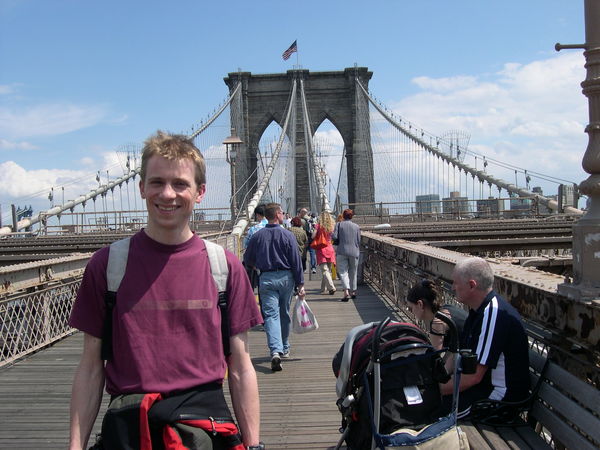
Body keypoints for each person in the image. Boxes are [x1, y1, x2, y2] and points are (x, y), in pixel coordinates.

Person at [68, 131, 263, 450]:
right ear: (142, 187)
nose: (168, 194)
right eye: (157, 182)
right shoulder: (107, 266)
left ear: (200, 192)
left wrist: (253, 445)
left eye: (180, 184)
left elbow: (240, 365)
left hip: (203, 431)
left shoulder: (224, 267)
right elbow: (91, 366)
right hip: (130, 430)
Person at [440, 257, 530, 419]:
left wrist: (433, 388)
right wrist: (436, 378)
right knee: (425, 402)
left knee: (431, 411)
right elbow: (458, 354)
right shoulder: (478, 311)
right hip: (482, 388)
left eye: (455, 283)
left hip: (498, 399)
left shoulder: (493, 314)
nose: (452, 287)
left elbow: (474, 377)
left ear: (472, 285)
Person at [244, 203, 305, 372]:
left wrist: (258, 266)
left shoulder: (257, 236)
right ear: (278, 214)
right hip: (286, 278)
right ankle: (284, 347)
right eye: (282, 212)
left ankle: (275, 351)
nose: (284, 214)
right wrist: (300, 283)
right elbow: (296, 261)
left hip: (266, 278)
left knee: (271, 316)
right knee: (284, 313)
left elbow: (247, 259)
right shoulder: (288, 235)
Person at [331, 209, 360, 301]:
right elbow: (358, 240)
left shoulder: (339, 225)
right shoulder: (356, 226)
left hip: (342, 251)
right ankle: (354, 291)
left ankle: (346, 291)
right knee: (353, 272)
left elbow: (335, 237)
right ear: (352, 216)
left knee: (343, 272)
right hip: (354, 252)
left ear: (343, 216)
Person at [312, 210, 336, 296]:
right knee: (327, 270)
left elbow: (313, 236)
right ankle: (323, 289)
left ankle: (331, 287)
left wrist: (315, 229)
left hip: (321, 249)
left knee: (325, 270)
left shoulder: (318, 226)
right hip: (330, 248)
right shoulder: (332, 226)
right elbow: (334, 237)